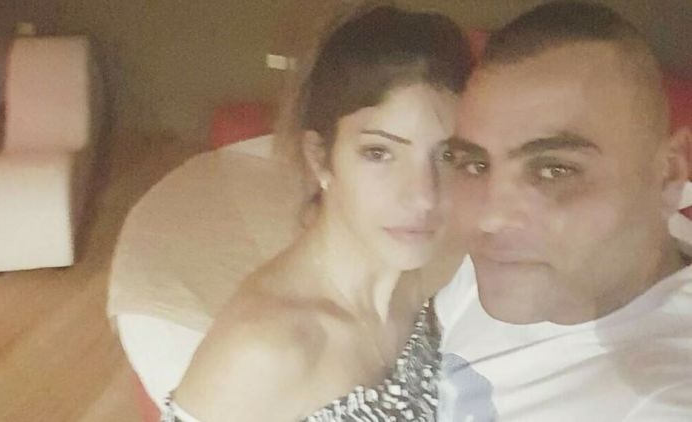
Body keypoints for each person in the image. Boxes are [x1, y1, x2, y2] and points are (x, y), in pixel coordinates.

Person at [165, 4, 472, 421]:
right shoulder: (264, 351)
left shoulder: (430, 275)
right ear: (320, 158)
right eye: (379, 152)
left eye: (447, 154)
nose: (423, 196)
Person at [435, 1, 692, 420]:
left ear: (669, 175)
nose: (488, 219)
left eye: (554, 170)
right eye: (475, 164)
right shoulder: (480, 266)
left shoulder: (666, 396)